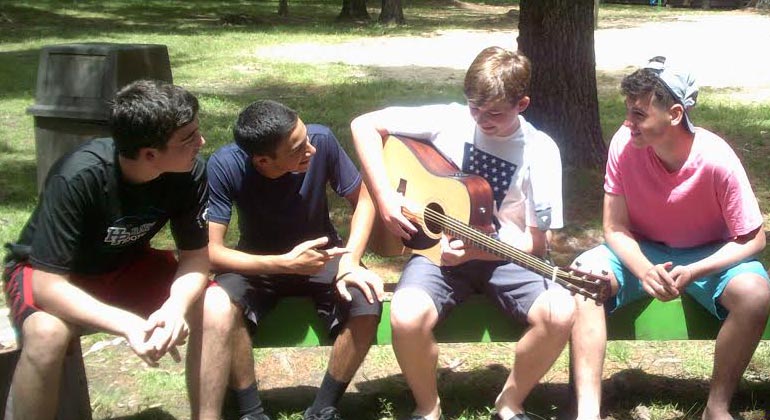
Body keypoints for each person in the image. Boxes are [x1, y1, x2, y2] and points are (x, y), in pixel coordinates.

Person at [350, 46, 575, 420]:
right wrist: (386, 198)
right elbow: (363, 125)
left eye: (495, 114)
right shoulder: (451, 120)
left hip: (508, 255)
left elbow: (539, 242)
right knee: (406, 316)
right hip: (440, 252)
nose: (482, 120)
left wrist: (477, 252)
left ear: (522, 104)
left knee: (560, 311)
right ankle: (428, 407)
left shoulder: (541, 151)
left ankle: (510, 402)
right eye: (475, 108)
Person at [570, 56, 770, 420]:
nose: (628, 123)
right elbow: (614, 227)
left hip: (707, 255)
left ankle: (717, 407)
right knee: (584, 277)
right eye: (628, 112)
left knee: (756, 295)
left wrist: (694, 270)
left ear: (675, 114)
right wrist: (644, 270)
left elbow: (754, 239)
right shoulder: (623, 144)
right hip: (642, 249)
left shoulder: (715, 158)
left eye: (639, 115)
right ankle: (587, 412)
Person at [2, 80, 210, 419]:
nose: (201, 142)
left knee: (214, 302)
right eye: (188, 137)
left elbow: (196, 258)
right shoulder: (79, 176)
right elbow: (48, 287)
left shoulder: (189, 173)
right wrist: (129, 325)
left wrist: (175, 307)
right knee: (46, 334)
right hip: (49, 272)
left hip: (124, 263)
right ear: (150, 155)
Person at [191, 100, 383, 420]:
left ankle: (324, 407)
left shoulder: (321, 142)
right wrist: (283, 263)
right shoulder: (225, 166)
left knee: (367, 300)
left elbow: (365, 199)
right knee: (220, 303)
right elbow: (211, 251)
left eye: (306, 137)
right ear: (263, 161)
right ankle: (252, 411)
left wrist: (350, 261)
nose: (310, 150)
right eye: (297, 148)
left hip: (325, 256)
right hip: (258, 261)